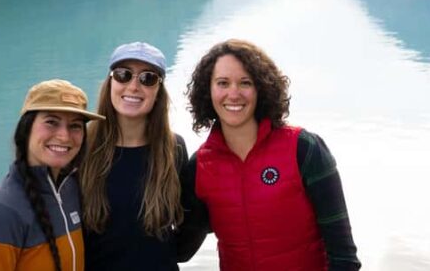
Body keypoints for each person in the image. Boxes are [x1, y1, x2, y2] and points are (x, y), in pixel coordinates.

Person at [183, 39, 361, 271]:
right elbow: (182, 248)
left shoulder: (304, 149)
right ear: (208, 90)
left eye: (245, 83)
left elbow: (344, 257)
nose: (233, 94)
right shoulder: (200, 166)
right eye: (222, 83)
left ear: (261, 89)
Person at [0, 79, 104, 271]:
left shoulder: (72, 190)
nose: (64, 136)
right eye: (51, 122)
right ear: (27, 128)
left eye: (75, 126)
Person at [79, 41, 194, 270]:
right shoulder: (82, 146)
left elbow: (190, 224)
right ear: (110, 82)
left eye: (147, 78)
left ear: (158, 91)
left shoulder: (174, 148)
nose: (133, 86)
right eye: (123, 75)